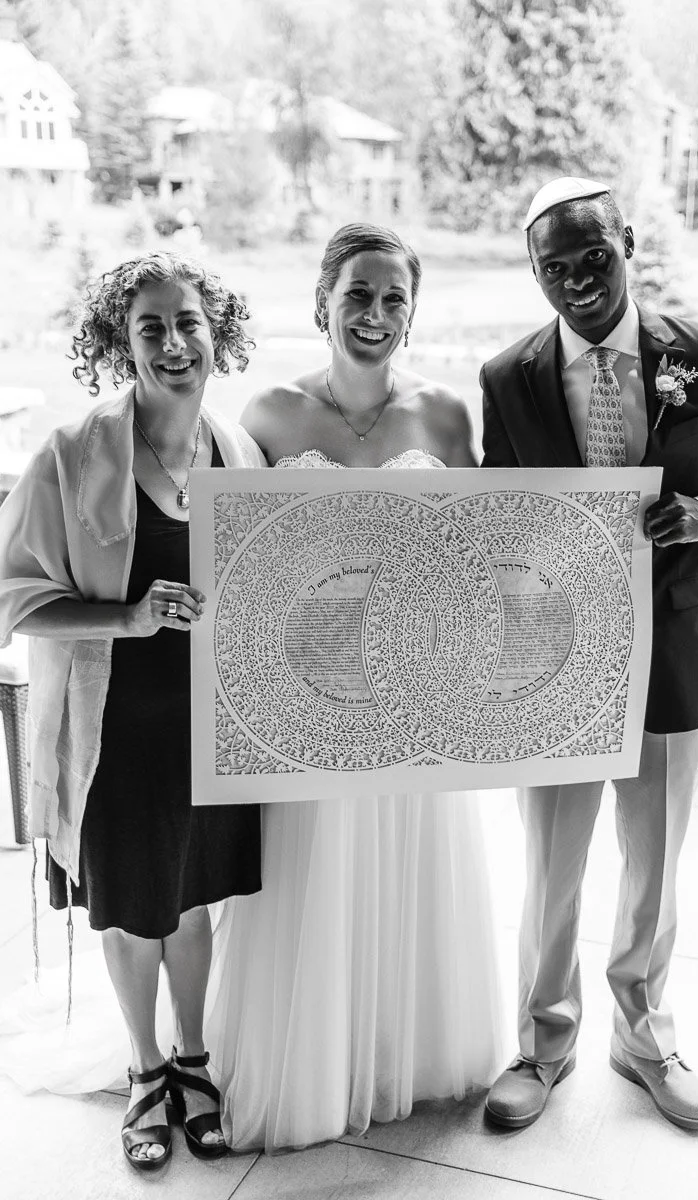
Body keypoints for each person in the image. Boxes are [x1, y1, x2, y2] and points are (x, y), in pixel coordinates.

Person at [481, 177, 698, 1133]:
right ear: (535, 276)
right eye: (555, 269)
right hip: (554, 658)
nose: (578, 281)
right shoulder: (507, 377)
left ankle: (644, 1033)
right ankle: (543, 1041)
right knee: (551, 864)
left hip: (673, 648)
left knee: (654, 864)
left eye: (594, 258)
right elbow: (498, 507)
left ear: (627, 242)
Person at [203, 222, 505, 1151]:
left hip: (417, 701)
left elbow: (481, 552)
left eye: (393, 299)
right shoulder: (268, 417)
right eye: (358, 295)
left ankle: (404, 1053)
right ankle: (310, 1069)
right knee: (312, 879)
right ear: (322, 302)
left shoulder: (447, 418)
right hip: (312, 701)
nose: (375, 314)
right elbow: (241, 567)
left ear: (411, 314)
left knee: (412, 871)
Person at [0, 252, 266, 1171]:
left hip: (211, 727)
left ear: (215, 332)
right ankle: (144, 1068)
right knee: (129, 913)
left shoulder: (239, 450)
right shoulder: (70, 457)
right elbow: (14, 598)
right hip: (112, 732)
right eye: (148, 326)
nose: (172, 341)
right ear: (120, 343)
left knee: (191, 905)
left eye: (188, 321)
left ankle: (193, 1059)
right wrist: (129, 614)